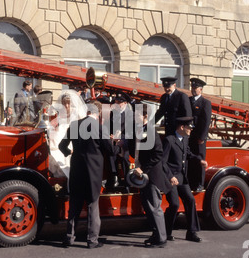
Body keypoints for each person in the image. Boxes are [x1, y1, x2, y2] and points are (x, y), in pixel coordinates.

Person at [58, 100, 119, 249]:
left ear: (87, 111)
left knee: (74, 206)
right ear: (98, 113)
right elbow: (110, 151)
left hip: (77, 171)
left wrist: (69, 152)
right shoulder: (100, 128)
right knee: (92, 205)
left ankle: (69, 238)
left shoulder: (74, 125)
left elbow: (61, 146)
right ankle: (92, 240)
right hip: (93, 173)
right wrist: (115, 143)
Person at [130, 104, 172, 248]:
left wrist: (143, 169)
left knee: (154, 206)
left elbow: (158, 154)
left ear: (145, 117)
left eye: (137, 116)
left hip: (151, 175)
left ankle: (161, 238)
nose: (135, 118)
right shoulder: (138, 130)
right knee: (147, 206)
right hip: (142, 175)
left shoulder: (151, 131)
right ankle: (155, 234)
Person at [162, 116, 207, 243]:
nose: (191, 130)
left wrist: (200, 160)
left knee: (190, 200)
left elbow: (188, 154)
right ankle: (165, 231)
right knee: (175, 204)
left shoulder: (185, 139)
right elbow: (163, 162)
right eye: (189, 128)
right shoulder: (169, 140)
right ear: (182, 127)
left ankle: (192, 232)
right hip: (171, 179)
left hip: (182, 178)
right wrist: (170, 177)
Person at [48, 90, 87, 179]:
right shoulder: (61, 113)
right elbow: (55, 123)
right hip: (62, 136)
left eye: (68, 103)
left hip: (74, 136)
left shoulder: (77, 112)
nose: (66, 106)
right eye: (64, 103)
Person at [188, 78, 212, 192]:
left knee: (200, 160)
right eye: (192, 88)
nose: (193, 90)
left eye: (195, 88)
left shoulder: (205, 103)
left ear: (201, 89)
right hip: (189, 135)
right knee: (190, 158)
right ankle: (191, 182)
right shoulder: (188, 100)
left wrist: (202, 137)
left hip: (199, 137)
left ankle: (200, 184)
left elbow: (207, 121)